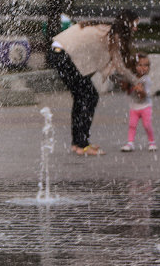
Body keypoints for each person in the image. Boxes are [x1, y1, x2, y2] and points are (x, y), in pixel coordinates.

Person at [47, 9, 140, 156]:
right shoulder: (113, 35)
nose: (136, 28)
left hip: (58, 53)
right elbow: (119, 65)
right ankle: (81, 144)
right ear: (127, 24)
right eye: (134, 24)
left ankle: (78, 143)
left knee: (82, 97)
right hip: (63, 55)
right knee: (89, 96)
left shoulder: (106, 30)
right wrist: (136, 82)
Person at [121, 53, 156, 152]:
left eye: (146, 65)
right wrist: (128, 86)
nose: (143, 68)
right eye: (140, 65)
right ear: (134, 66)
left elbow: (144, 96)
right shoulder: (132, 79)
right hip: (134, 107)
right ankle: (130, 143)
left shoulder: (146, 80)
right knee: (132, 125)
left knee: (147, 125)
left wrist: (140, 91)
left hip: (145, 107)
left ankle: (152, 142)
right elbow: (126, 91)